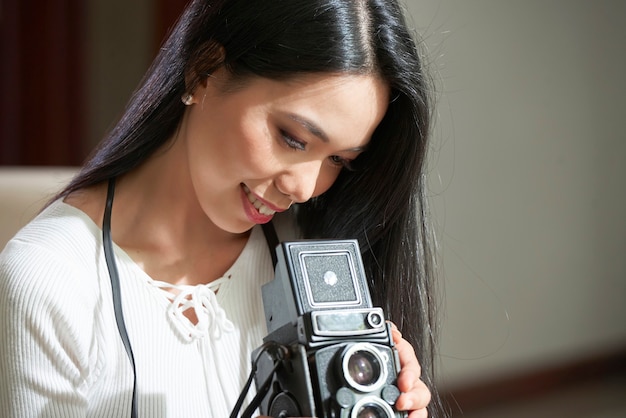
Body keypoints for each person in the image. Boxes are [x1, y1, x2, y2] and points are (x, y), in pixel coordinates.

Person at [0, 0, 444, 417]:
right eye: (292, 138)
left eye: (338, 160)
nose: (306, 187)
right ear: (203, 72)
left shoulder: (316, 264)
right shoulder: (49, 281)